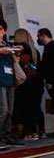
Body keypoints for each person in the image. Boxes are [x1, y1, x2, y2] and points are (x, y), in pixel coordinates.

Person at [14, 29, 46, 140]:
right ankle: (42, 131)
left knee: (27, 108)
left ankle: (32, 132)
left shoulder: (21, 48)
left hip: (26, 83)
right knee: (37, 107)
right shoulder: (34, 50)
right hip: (37, 81)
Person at [0, 21, 26, 150]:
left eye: (1, 29)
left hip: (9, 79)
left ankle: (7, 136)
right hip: (0, 81)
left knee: (10, 111)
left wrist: (17, 52)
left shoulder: (6, 45)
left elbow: (15, 61)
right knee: (3, 110)